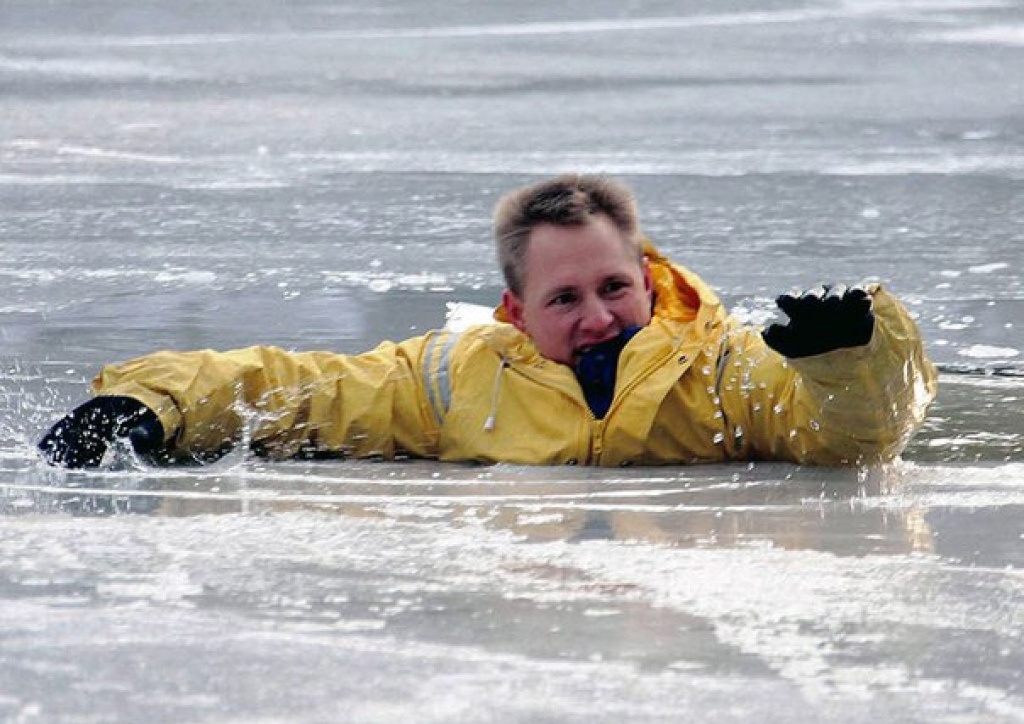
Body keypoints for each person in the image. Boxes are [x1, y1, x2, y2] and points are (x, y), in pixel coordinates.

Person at [38, 174, 937, 469]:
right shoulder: (457, 376)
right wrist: (151, 404)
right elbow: (302, 390)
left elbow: (851, 438)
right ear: (515, 308)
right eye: (564, 299)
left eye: (615, 288)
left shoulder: (728, 365)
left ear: (647, 272)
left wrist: (854, 358)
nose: (599, 316)